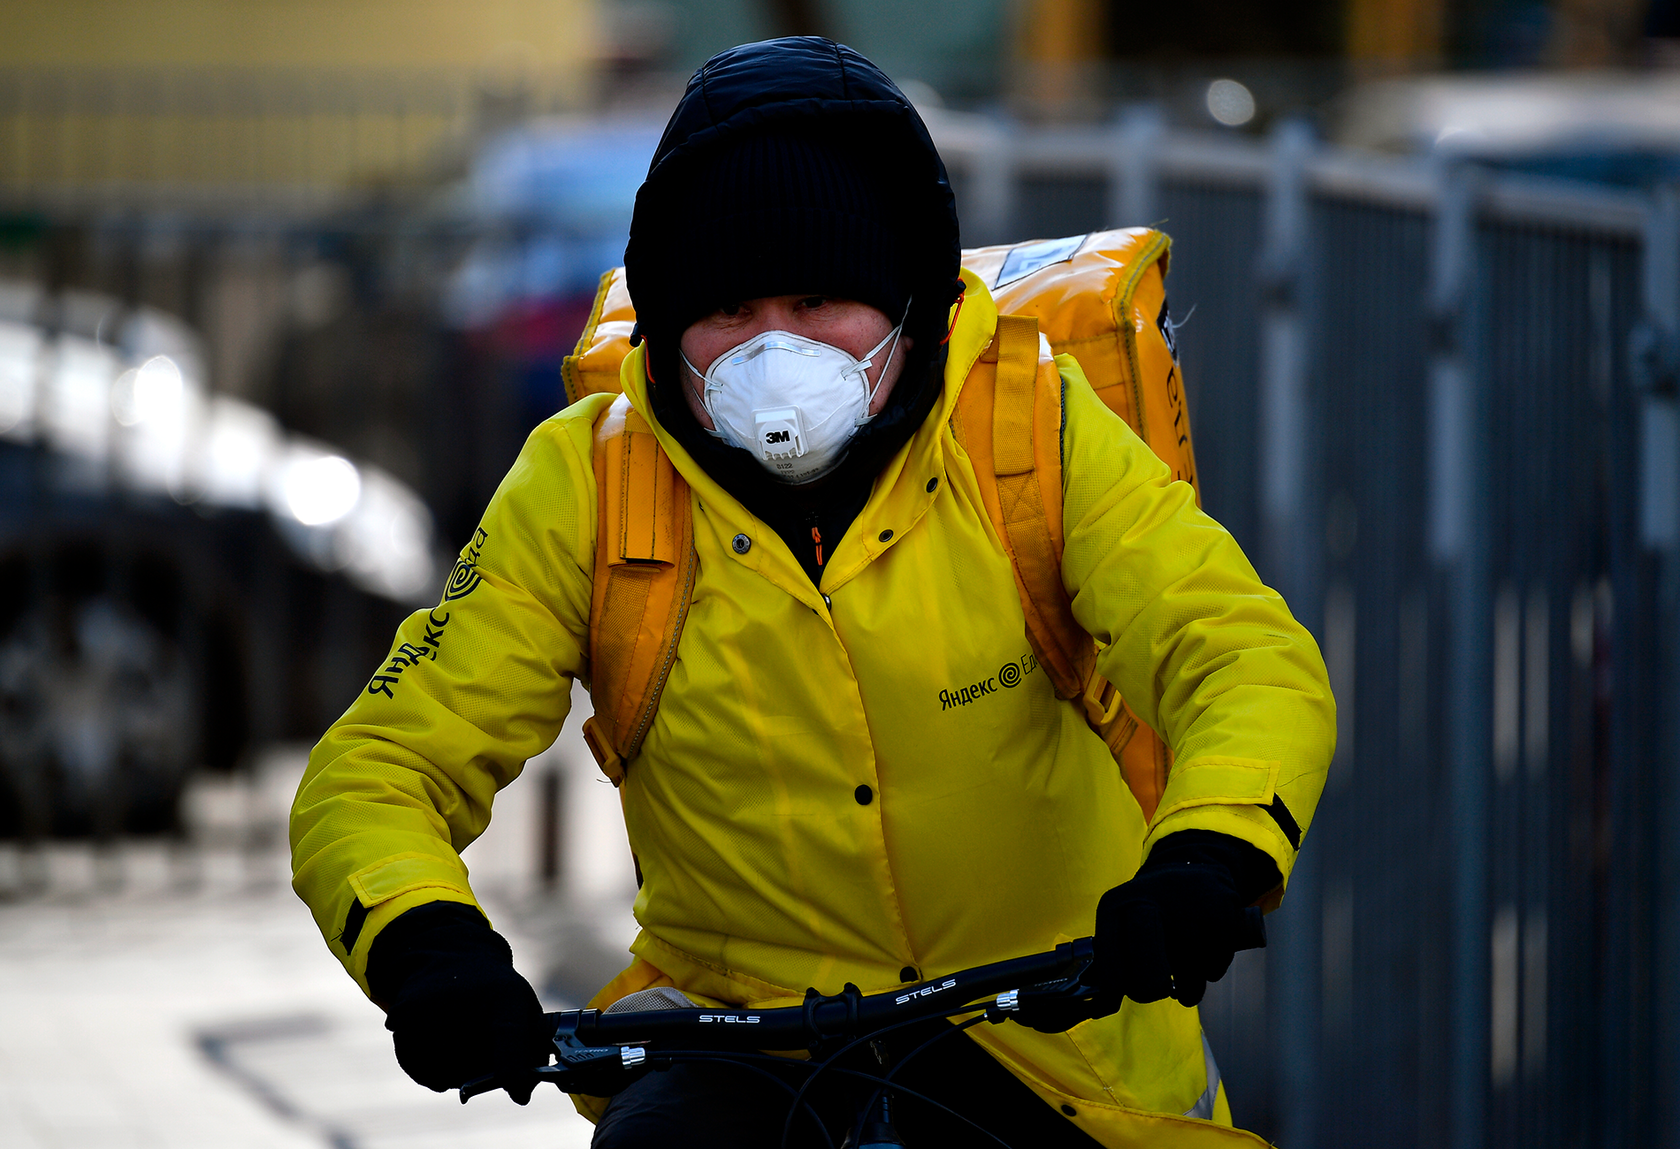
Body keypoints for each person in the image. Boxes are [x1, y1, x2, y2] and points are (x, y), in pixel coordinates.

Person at [290, 36, 1334, 1149]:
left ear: (911, 303)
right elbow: (380, 768)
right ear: (665, 320)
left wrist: (1209, 857)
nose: (773, 350)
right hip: (738, 1050)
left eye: (821, 297)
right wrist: (426, 949)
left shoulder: (1031, 434)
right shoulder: (588, 480)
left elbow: (1240, 655)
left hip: (1059, 1042)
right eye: (727, 309)